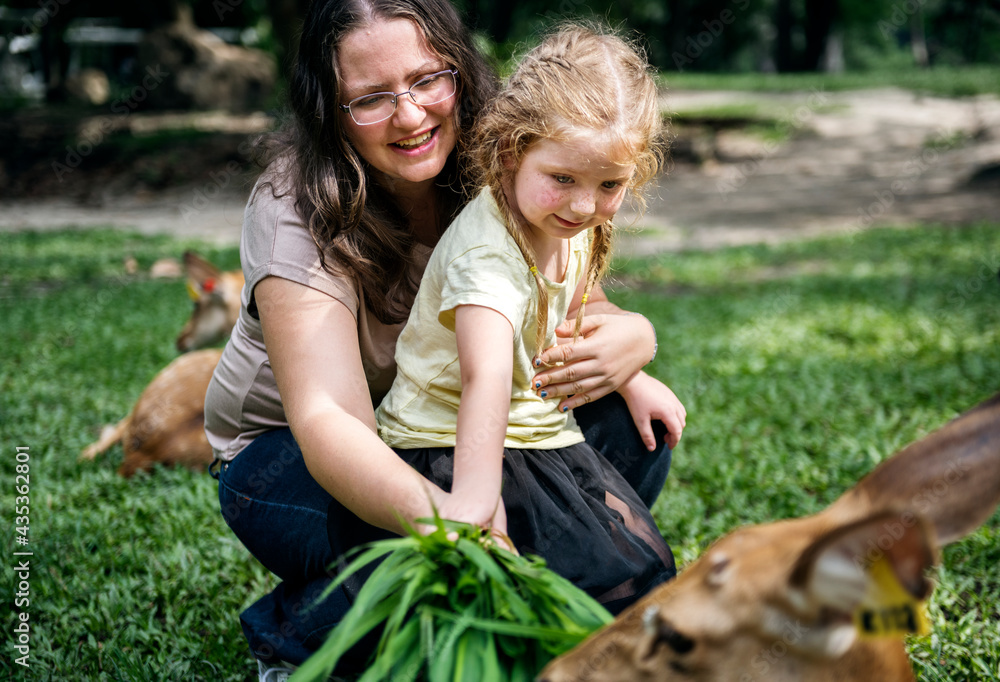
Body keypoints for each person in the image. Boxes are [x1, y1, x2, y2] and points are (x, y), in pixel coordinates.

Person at [202, 0, 684, 676]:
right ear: (329, 111)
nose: (410, 115)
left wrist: (634, 343)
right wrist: (452, 523)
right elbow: (328, 420)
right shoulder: (298, 210)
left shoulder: (500, 150)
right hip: (294, 460)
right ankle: (295, 635)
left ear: (459, 70)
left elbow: (576, 301)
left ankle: (504, 604)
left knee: (626, 431)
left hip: (442, 430)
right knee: (406, 541)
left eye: (429, 79)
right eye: (370, 98)